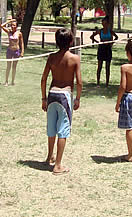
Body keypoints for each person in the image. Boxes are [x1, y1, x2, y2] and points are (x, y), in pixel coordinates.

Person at [41, 28, 82, 175]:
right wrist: (77, 98)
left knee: (51, 128)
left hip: (52, 94)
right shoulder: (74, 58)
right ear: (71, 41)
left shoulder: (51, 57)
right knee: (63, 130)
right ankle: (58, 164)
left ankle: (49, 156)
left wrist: (44, 98)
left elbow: (44, 78)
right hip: (65, 95)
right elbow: (79, 82)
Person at [90, 16, 118, 86]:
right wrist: (97, 42)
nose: (104, 25)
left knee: (107, 67)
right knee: (99, 66)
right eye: (103, 23)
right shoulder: (100, 31)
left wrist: (112, 42)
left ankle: (107, 83)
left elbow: (116, 37)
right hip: (101, 49)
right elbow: (91, 37)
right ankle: (98, 83)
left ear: (108, 24)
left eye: (105, 23)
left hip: (108, 49)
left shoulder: (110, 31)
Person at [0, 19, 24, 86]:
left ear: (16, 26)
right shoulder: (9, 32)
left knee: (14, 67)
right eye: (11, 25)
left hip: (16, 51)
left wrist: (22, 52)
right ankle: (6, 81)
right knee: (8, 66)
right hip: (9, 51)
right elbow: (1, 26)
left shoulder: (19, 33)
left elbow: (21, 43)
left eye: (14, 25)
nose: (12, 26)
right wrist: (9, 21)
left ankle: (12, 81)